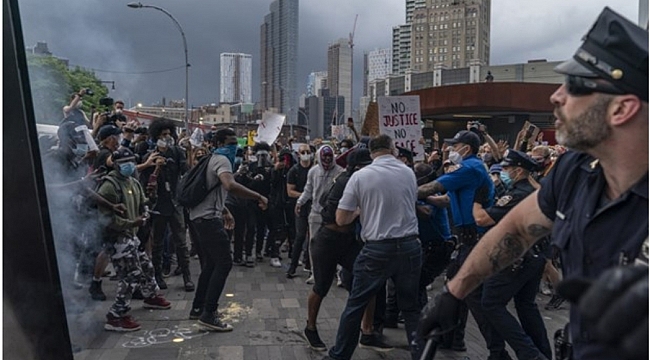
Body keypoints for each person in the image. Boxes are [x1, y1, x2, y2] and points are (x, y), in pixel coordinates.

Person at [418, 8, 648, 360]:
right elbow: (517, 229)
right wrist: (454, 292)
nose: (557, 96)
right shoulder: (576, 170)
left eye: (575, 85)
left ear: (621, 110)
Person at [327, 134, 422, 360]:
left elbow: (340, 219)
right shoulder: (408, 172)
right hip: (409, 246)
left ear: (371, 153)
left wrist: (360, 211)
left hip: (377, 249)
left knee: (356, 305)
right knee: (411, 308)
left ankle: (339, 355)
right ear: (392, 150)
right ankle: (421, 354)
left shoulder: (361, 177)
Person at [418, 130, 503, 358]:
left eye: (456, 146)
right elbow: (446, 199)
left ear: (467, 148)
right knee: (458, 288)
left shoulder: (470, 168)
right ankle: (453, 339)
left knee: (473, 295)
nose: (452, 150)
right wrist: (424, 199)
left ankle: (497, 350)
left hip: (476, 238)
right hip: (468, 239)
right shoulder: (467, 170)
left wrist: (405, 190)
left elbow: (433, 187)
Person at [303, 148, 390, 352]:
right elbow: (335, 215)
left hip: (347, 240)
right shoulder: (346, 181)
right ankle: (310, 327)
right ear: (358, 167)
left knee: (369, 282)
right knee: (321, 286)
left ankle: (367, 331)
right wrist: (358, 212)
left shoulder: (358, 179)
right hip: (327, 240)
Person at [473, 150, 552, 360]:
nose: (504, 172)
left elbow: (482, 219)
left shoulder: (518, 194)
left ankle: (529, 354)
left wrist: (478, 197)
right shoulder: (536, 190)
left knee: (490, 303)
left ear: (519, 170)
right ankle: (543, 353)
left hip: (516, 258)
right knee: (526, 305)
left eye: (507, 169)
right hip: (535, 255)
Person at [187, 128, 268, 331]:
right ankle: (209, 313)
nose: (235, 147)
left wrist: (224, 211)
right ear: (220, 144)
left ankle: (198, 307)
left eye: (235, 143)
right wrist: (258, 196)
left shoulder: (212, 158)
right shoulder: (222, 160)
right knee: (224, 262)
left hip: (202, 217)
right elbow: (230, 185)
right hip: (207, 220)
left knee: (211, 264)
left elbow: (211, 191)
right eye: (231, 143)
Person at [96, 147, 171, 332]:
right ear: (116, 164)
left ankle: (151, 295)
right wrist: (131, 222)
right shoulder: (109, 186)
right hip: (118, 239)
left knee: (146, 266)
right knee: (130, 275)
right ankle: (116, 314)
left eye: (131, 161)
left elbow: (142, 204)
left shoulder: (133, 182)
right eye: (124, 163)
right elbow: (107, 220)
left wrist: (150, 199)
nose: (129, 166)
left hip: (132, 236)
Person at [139, 118, 193, 292]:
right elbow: (146, 183)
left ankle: (187, 276)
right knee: (158, 243)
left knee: (181, 242)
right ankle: (158, 276)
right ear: (156, 137)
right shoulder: (150, 156)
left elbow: (186, 172)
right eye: (163, 135)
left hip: (175, 203)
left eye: (169, 134)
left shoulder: (177, 152)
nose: (167, 137)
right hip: (159, 205)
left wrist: (189, 154)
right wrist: (155, 167)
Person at [296, 145, 344, 284]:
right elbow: (308, 190)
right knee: (313, 244)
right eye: (325, 157)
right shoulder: (313, 172)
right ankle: (315, 273)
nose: (327, 160)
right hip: (316, 212)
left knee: (337, 244)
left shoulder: (340, 172)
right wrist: (300, 202)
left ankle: (340, 274)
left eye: (330, 157)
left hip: (334, 214)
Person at [286, 143, 314, 278]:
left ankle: (309, 264)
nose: (306, 154)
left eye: (308, 152)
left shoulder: (315, 169)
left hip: (314, 206)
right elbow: (290, 192)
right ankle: (293, 266)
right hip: (301, 206)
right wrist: (304, 195)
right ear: (298, 154)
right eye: (303, 152)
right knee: (300, 235)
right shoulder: (294, 171)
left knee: (313, 237)